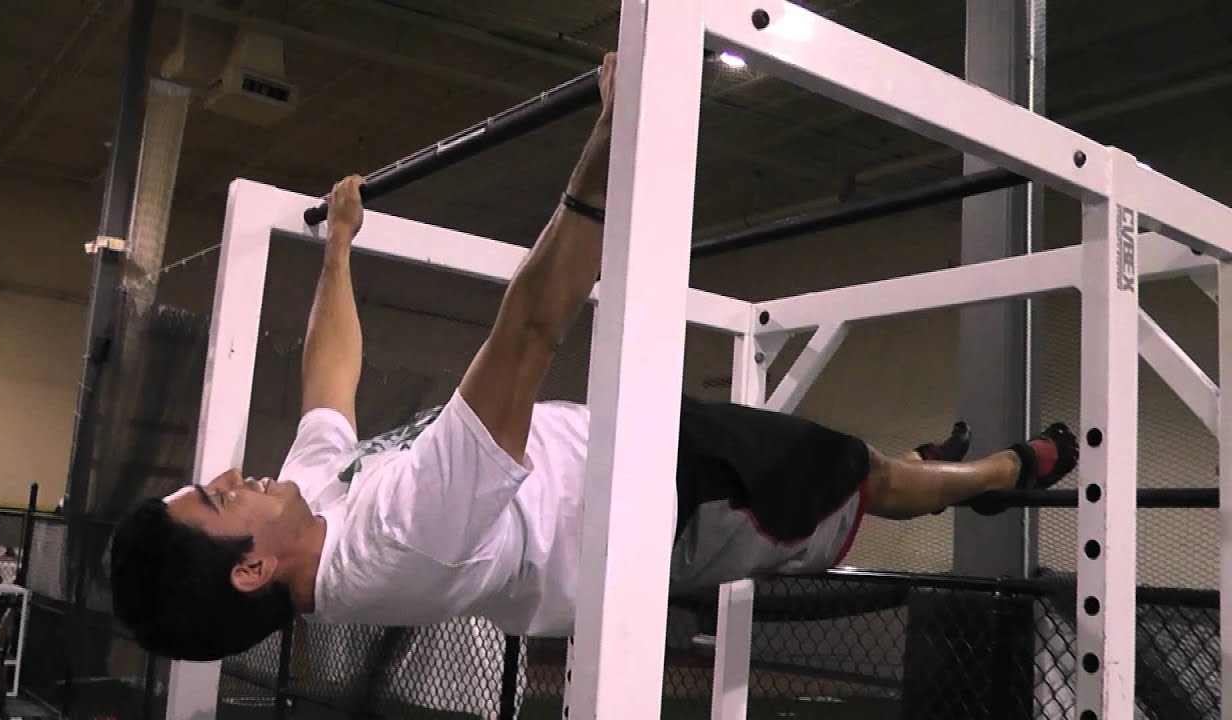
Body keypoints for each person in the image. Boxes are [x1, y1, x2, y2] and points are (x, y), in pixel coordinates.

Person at [108, 53, 1079, 662]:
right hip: (673, 507)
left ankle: (951, 467)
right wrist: (615, 134)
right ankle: (988, 475)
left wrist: (336, 248)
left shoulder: (309, 507)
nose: (230, 474)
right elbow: (529, 331)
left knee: (861, 464)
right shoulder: (386, 547)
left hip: (639, 445)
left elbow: (328, 384)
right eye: (214, 497)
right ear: (250, 571)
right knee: (858, 477)